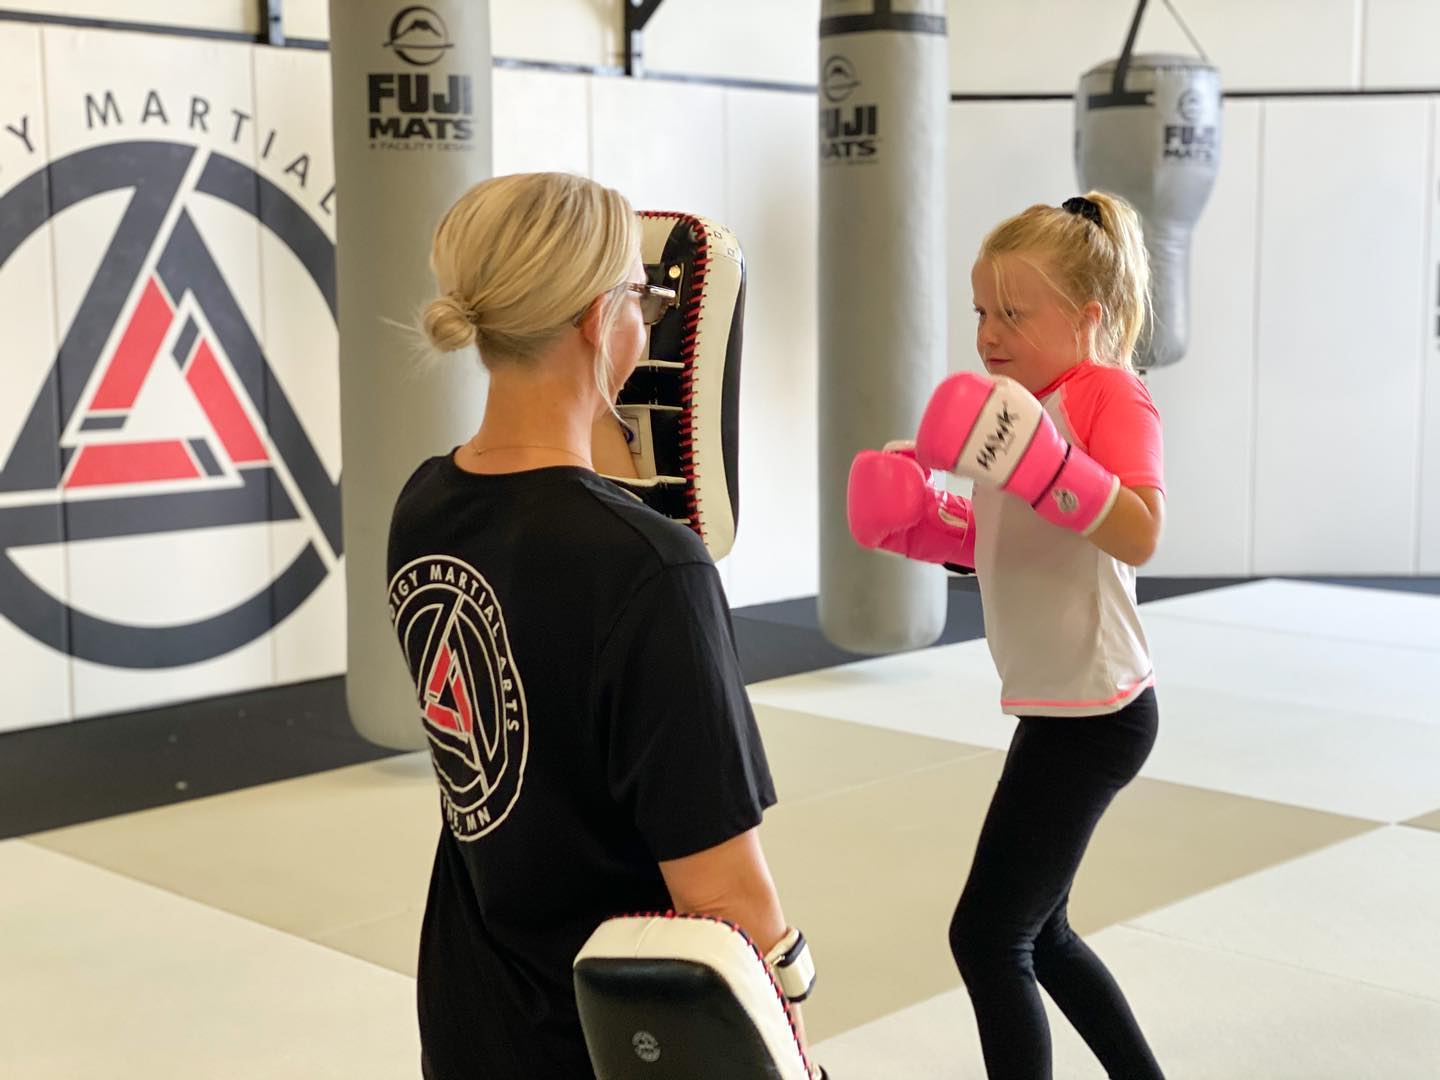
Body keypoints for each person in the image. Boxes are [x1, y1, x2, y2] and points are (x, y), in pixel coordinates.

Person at [387, 172, 811, 1078]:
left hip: (469, 1012)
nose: (651, 320)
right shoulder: (649, 568)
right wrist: (796, 996)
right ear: (595, 316)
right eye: (641, 298)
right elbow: (725, 893)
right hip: (613, 1040)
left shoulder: (424, 505)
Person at [848, 191, 1167, 1079]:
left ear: (1088, 317)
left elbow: (1139, 529)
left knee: (988, 938)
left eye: (1014, 313)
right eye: (980, 311)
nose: (988, 332)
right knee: (1042, 933)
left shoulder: (1107, 393)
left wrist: (1046, 464)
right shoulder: (1011, 412)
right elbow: (1006, 542)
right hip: (1059, 704)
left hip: (1099, 713)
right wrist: (921, 522)